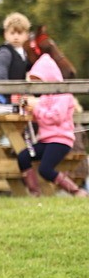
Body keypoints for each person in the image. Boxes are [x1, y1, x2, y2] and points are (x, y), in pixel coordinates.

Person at [16, 54, 88, 198]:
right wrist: (27, 108)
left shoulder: (64, 95)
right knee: (23, 157)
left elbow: (55, 117)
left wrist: (36, 109)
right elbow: (40, 117)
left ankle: (76, 191)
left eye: (40, 81)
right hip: (46, 140)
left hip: (60, 140)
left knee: (45, 169)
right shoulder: (44, 98)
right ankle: (34, 193)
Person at [0, 13, 30, 81]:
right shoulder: (5, 52)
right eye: (12, 33)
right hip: (0, 90)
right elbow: (0, 78)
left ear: (26, 36)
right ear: (5, 34)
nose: (16, 37)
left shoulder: (23, 54)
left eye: (20, 33)